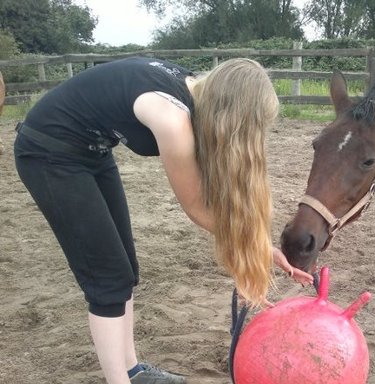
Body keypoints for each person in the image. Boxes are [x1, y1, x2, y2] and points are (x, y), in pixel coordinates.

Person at [13, 57, 313, 384]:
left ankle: (132, 371)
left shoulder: (193, 90)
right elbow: (198, 208)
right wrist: (256, 248)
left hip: (92, 153)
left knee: (125, 270)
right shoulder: (172, 119)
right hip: (48, 153)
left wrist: (263, 248)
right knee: (107, 281)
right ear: (233, 117)